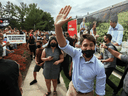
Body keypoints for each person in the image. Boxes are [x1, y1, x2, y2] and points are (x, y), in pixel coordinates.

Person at [54, 5, 106, 96]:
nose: (88, 48)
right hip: (71, 89)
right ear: (80, 47)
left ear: (95, 46)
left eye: (91, 45)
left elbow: (100, 91)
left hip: (87, 94)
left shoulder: (99, 66)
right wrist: (58, 27)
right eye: (85, 45)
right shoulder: (76, 53)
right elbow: (63, 45)